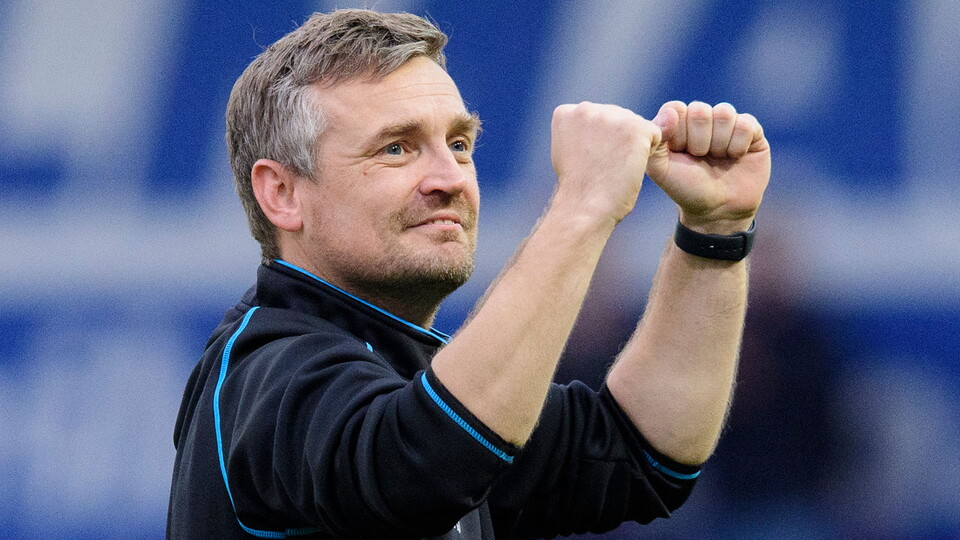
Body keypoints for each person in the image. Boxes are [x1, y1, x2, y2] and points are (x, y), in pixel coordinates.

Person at [167, 9, 770, 540]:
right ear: (282, 194)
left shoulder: (402, 372)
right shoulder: (265, 370)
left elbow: (641, 456)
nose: (450, 178)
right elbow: (424, 463)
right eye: (396, 148)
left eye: (459, 144)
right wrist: (582, 205)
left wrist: (714, 232)